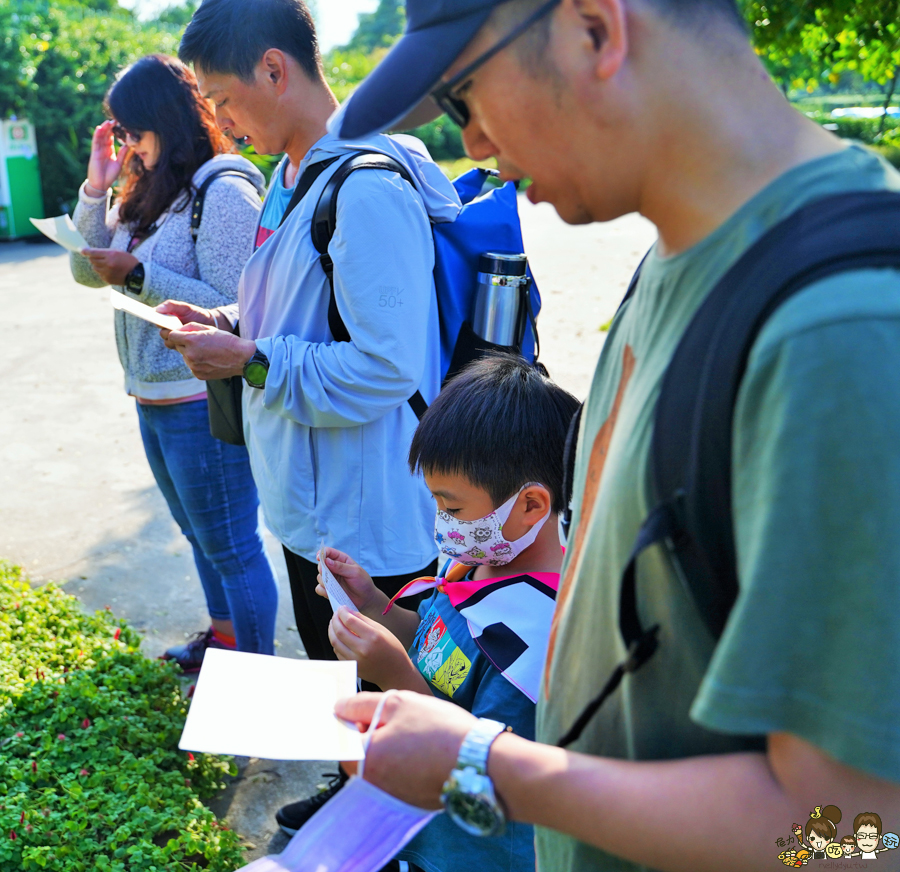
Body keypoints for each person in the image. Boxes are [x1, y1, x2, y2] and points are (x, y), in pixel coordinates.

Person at [323, 0, 900, 870]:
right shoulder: (681, 254)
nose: (473, 143)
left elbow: (857, 834)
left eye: (463, 96)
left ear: (595, 28)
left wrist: (486, 765)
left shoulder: (839, 333)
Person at [159, 0, 459, 834]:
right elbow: (297, 313)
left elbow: (389, 364)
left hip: (367, 506)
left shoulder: (365, 187)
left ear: (273, 69)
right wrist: (227, 327)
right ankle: (356, 791)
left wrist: (252, 359)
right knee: (336, 664)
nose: (220, 121)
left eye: (221, 100)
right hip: (306, 491)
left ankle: (395, 827)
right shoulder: (290, 179)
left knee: (387, 678)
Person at [314, 353, 578, 872]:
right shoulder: (481, 553)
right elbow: (437, 640)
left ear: (530, 505)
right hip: (417, 822)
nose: (443, 523)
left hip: (471, 850)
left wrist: (392, 674)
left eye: (452, 509)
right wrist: (373, 606)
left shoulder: (537, 637)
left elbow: (481, 766)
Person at [70, 54, 278, 669]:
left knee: (234, 548)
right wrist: (96, 185)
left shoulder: (224, 187)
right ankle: (227, 641)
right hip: (153, 398)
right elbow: (86, 270)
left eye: (133, 131)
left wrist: (139, 276)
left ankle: (253, 686)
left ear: (164, 117)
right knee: (202, 538)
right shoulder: (149, 190)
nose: (128, 145)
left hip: (199, 399)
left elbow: (237, 304)